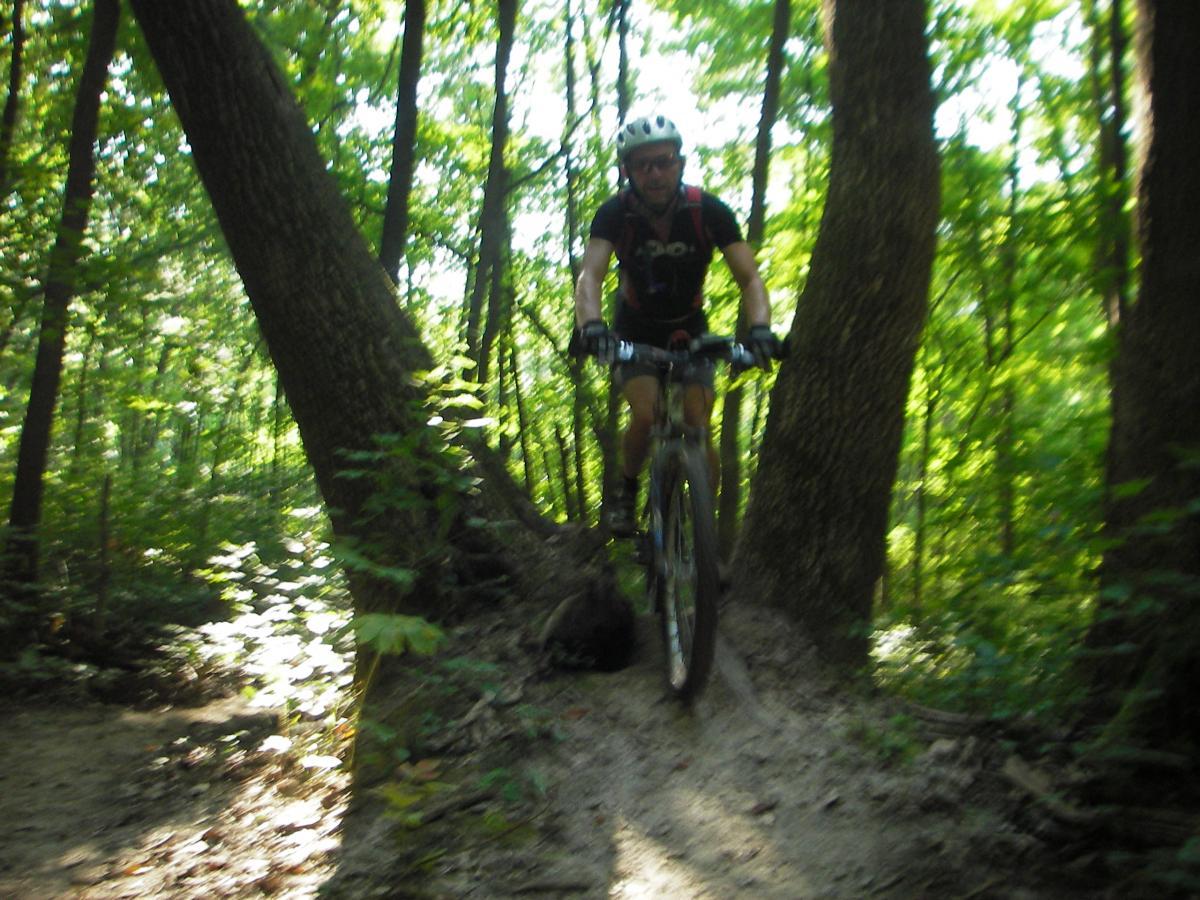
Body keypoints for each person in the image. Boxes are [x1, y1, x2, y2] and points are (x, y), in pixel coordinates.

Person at [574, 113, 780, 534]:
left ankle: (706, 530)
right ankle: (627, 493)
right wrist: (591, 326)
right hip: (634, 328)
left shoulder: (709, 210)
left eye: (664, 161)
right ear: (627, 171)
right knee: (647, 413)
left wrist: (759, 329)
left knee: (698, 419)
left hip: (691, 328)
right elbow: (590, 275)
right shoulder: (615, 213)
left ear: (680, 164)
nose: (654, 173)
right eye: (643, 165)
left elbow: (750, 277)